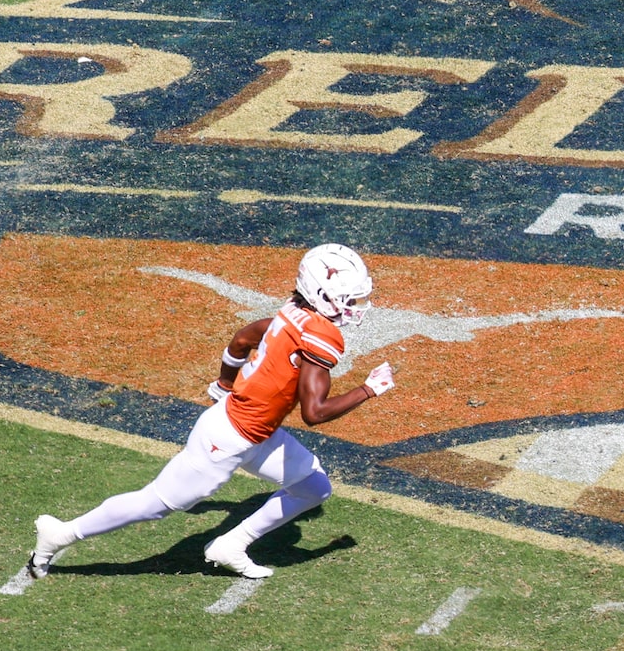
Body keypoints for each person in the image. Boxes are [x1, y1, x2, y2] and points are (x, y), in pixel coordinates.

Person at [30, 245, 390, 581]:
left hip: (255, 432)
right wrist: (367, 389)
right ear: (320, 294)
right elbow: (314, 413)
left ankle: (230, 545)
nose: (355, 306)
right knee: (155, 503)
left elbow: (242, 339)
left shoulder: (293, 311)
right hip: (228, 437)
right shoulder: (321, 334)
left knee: (314, 486)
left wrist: (223, 384)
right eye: (348, 298)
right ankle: (61, 534)